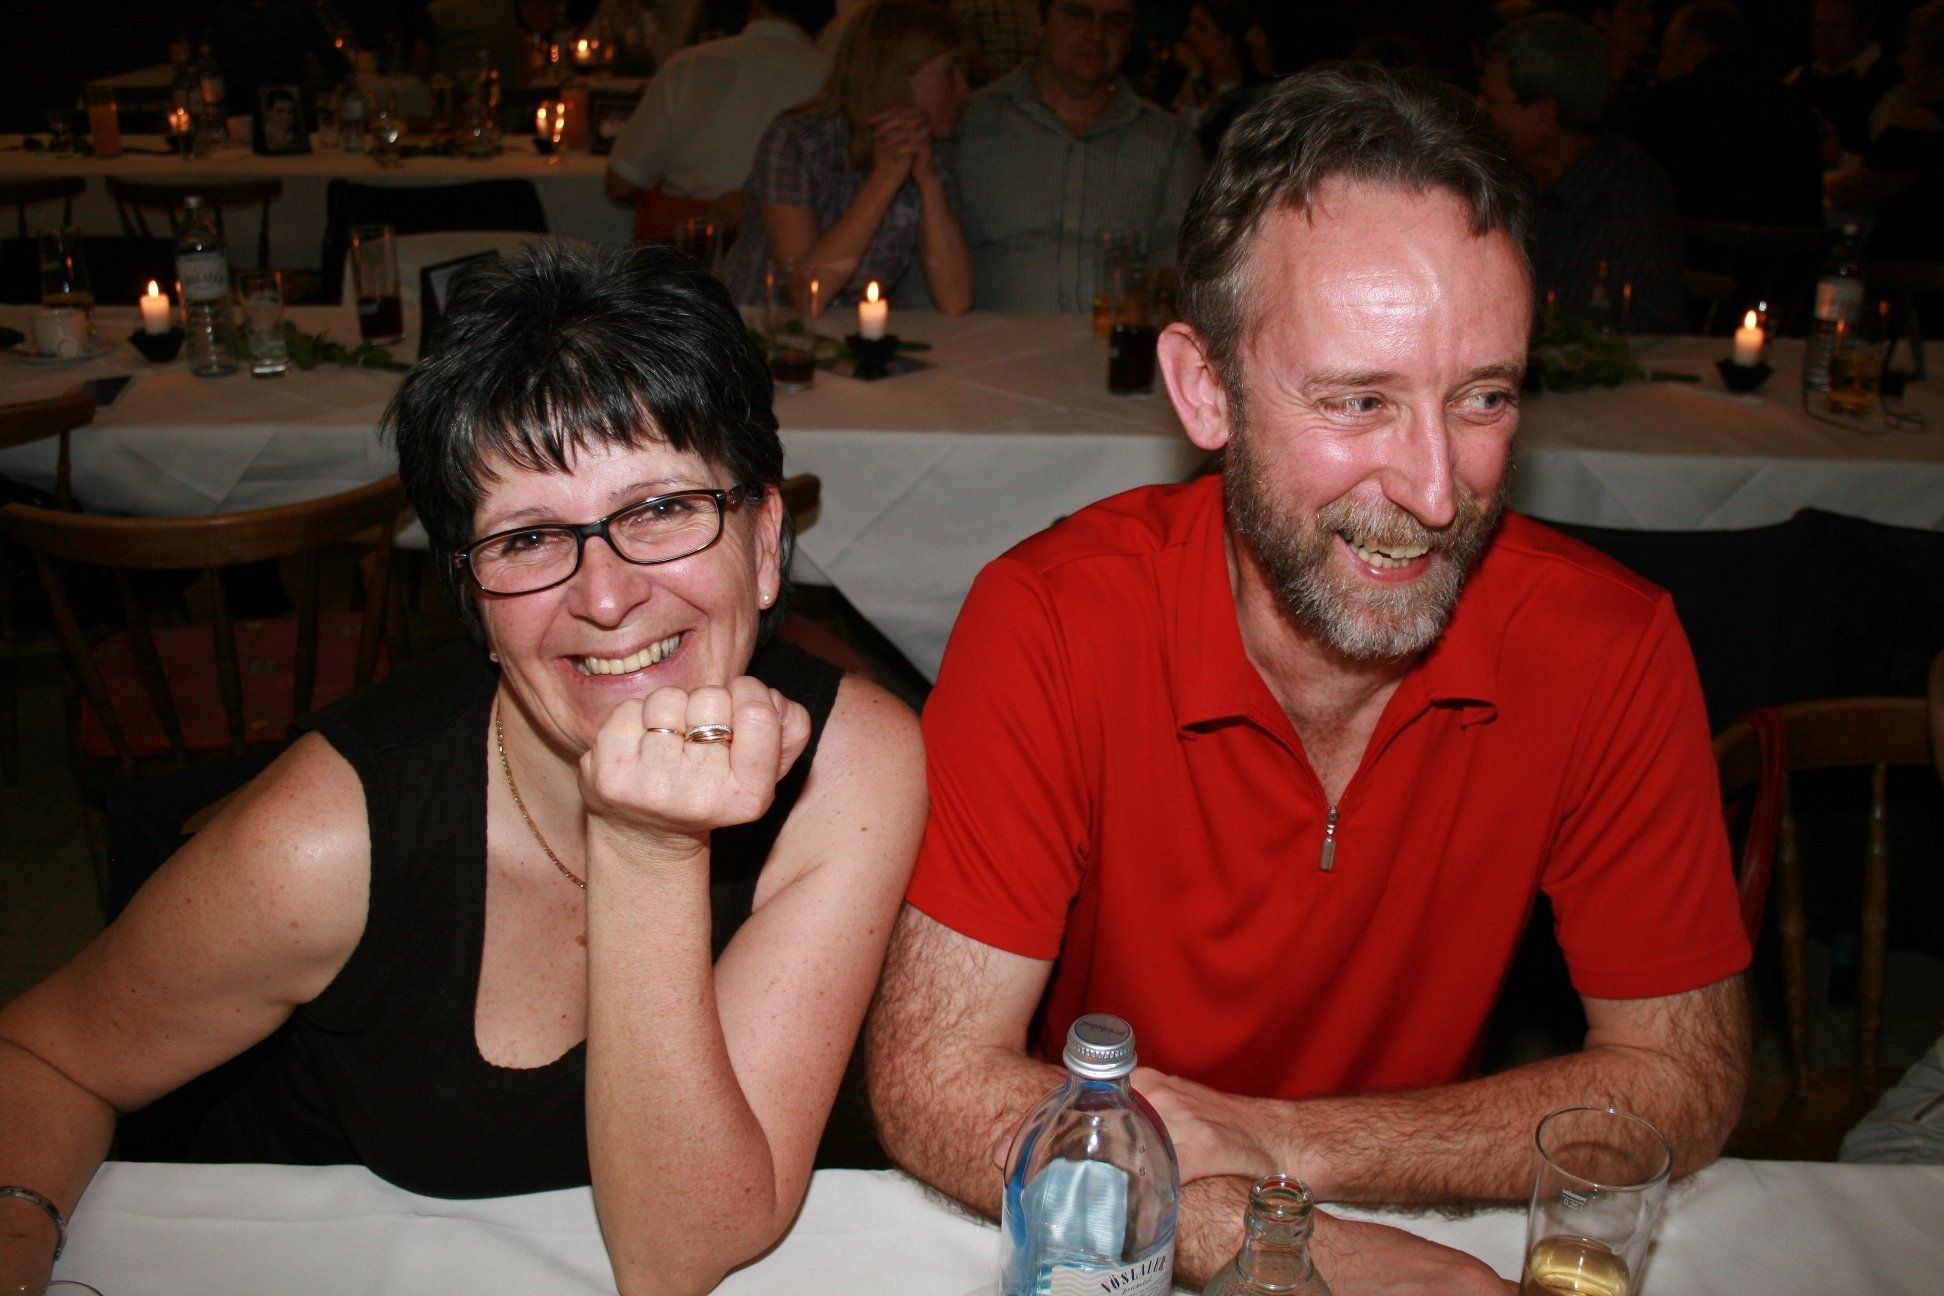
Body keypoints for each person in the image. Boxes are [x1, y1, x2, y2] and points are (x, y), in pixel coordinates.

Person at [868, 64, 1752, 1294]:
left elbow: (1683, 1078)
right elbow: (933, 1081)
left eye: (1484, 398)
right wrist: (1287, 1246)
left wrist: (1283, 1145)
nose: (1436, 492)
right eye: (1359, 401)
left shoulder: (1609, 645)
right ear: (1206, 389)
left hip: (1352, 1199)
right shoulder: (1053, 621)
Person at [0, 244, 925, 1294]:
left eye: (662, 509)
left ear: (763, 544)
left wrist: (643, 849)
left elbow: (685, 1247)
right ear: (474, 606)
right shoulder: (326, 841)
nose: (606, 597)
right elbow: (40, 1057)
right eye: (528, 538)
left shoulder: (853, 765)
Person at [720, 0, 974, 314]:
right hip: (760, 327)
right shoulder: (797, 141)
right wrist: (884, 181)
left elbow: (955, 299)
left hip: (852, 332)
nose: (964, 91)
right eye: (950, 72)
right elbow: (807, 294)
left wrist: (928, 181)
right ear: (899, 76)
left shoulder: (933, 148)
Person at [955, 0, 1204, 311]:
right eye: (1078, 15)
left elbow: (1185, 268)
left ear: (1130, 35)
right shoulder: (968, 125)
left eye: (1114, 22)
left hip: (1116, 339)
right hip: (986, 339)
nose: (1096, 35)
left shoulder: (1169, 141)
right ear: (1041, 21)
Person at [1478, 13, 1685, 333]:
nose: (1478, 110)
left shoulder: (1625, 194)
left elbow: (1570, 326)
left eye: (1492, 102)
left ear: (1544, 113)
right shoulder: (1508, 176)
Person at [604, 0, 834, 242]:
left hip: (685, 248)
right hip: (789, 246)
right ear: (824, 23)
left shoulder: (687, 66)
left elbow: (621, 185)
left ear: (755, 6)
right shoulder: (830, 77)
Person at [1625, 0, 1825, 224]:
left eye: (1667, 51)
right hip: (1787, 243)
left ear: (1697, 45)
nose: (1661, 66)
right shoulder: (1791, 103)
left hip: (1698, 242)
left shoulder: (1665, 107)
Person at [1785, 0, 1900, 160]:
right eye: (1818, 26)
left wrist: (1840, 158)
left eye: (1836, 26)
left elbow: (1890, 162)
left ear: (1863, 28)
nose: (1824, 36)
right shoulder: (1798, 79)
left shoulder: (1887, 85)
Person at [1172, 0, 1271, 158]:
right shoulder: (1194, 83)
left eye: (1201, 28)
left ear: (1227, 41)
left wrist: (1196, 76)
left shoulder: (1250, 101)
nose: (1188, 35)